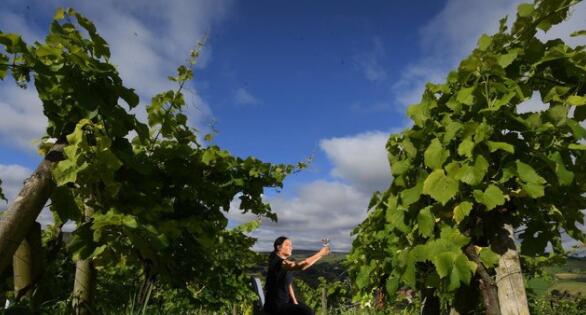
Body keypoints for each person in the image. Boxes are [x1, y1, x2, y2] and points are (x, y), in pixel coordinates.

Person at [263, 236, 330, 315]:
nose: (291, 247)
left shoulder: (282, 262)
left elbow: (289, 283)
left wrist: (294, 301)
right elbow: (301, 266)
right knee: (307, 312)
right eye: (288, 245)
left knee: (308, 310)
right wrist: (320, 253)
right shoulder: (278, 262)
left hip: (284, 302)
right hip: (276, 306)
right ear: (279, 247)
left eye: (291, 246)